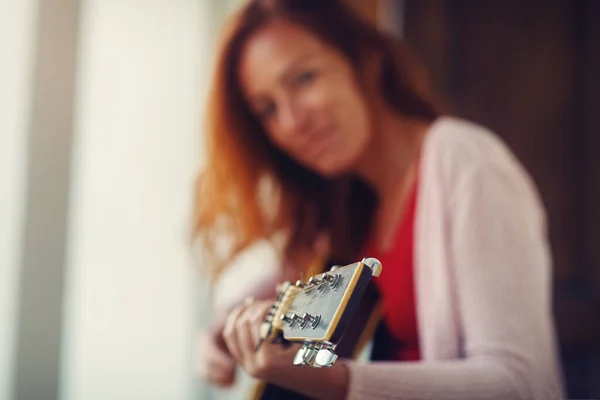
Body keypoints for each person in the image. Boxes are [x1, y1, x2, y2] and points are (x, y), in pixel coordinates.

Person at [193, 0, 564, 398]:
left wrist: (340, 382)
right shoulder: (345, 200)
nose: (291, 122)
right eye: (267, 109)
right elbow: (269, 285)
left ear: (366, 60)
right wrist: (223, 329)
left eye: (303, 79)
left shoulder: (468, 163)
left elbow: (520, 383)